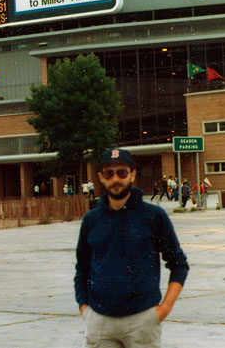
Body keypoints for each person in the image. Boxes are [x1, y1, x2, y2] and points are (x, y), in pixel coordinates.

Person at [74, 148, 189, 348]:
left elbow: (179, 265)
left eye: (122, 172)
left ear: (133, 175)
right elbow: (82, 270)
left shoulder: (154, 216)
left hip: (142, 321)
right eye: (109, 173)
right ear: (101, 177)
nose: (116, 178)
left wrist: (163, 309)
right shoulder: (91, 220)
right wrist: (85, 308)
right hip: (100, 323)